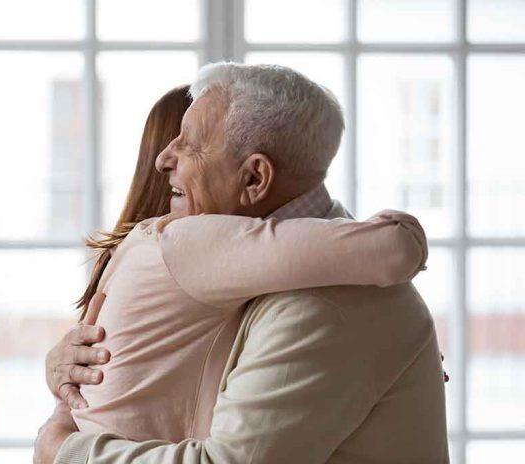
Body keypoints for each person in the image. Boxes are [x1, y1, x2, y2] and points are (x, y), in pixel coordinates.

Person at [36, 63, 449, 464]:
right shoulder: (262, 268)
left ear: (254, 179)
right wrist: (67, 375)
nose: (165, 159)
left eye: (189, 142)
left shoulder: (321, 306)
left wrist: (65, 451)